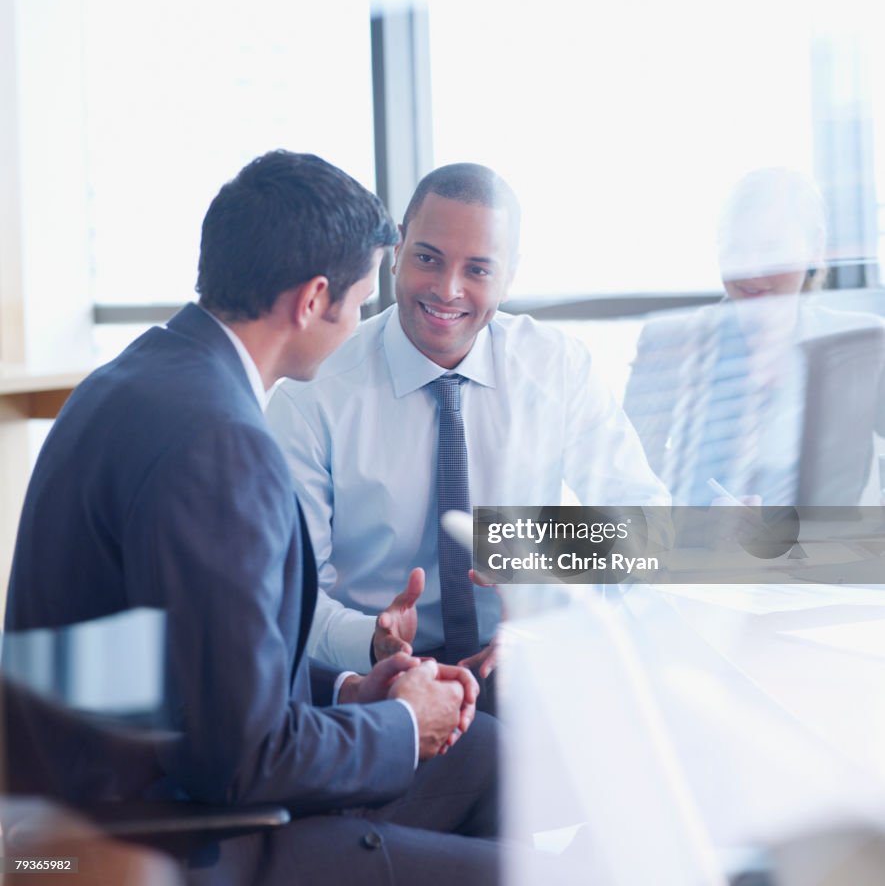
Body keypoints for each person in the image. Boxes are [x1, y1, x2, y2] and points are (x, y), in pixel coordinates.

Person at [4, 151, 500, 885]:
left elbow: (201, 655)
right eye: (364, 300)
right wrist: (399, 723)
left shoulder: (144, 374)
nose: (367, 320)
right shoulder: (221, 443)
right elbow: (242, 759)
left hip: (132, 778)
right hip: (171, 829)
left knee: (493, 756)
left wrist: (346, 692)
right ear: (311, 300)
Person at [266, 162, 668, 708]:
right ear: (397, 252)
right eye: (428, 258)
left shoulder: (556, 368)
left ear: (509, 276)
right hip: (378, 686)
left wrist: (540, 596)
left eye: (478, 270)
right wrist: (374, 643)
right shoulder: (311, 394)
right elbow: (294, 596)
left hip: (526, 664)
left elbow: (644, 523)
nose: (447, 290)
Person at [623, 167, 885, 507]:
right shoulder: (671, 341)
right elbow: (627, 481)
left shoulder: (859, 342)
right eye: (736, 249)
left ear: (815, 248)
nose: (751, 269)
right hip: (703, 554)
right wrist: (697, 524)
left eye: (771, 249)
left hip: (827, 555)